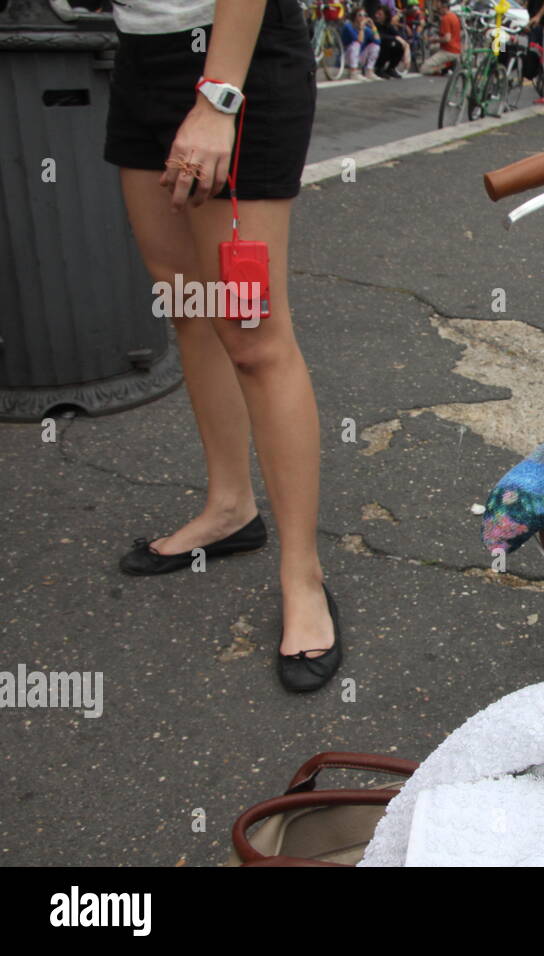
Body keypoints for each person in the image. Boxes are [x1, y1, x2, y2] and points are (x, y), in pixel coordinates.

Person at [105, 0, 341, 692]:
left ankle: (304, 577)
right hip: (140, 53)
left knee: (253, 335)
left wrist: (218, 98)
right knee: (187, 303)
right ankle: (230, 508)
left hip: (231, 63)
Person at [421, 1, 461, 75]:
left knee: (424, 69)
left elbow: (447, 38)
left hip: (449, 51)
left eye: (438, 7)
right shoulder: (454, 16)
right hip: (456, 49)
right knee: (433, 50)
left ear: (443, 7)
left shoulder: (446, 18)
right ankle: (447, 64)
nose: (437, 8)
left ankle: (445, 66)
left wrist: (433, 40)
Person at [341, 7, 382, 79]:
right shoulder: (348, 26)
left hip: (359, 56)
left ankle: (369, 71)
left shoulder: (366, 29)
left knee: (375, 46)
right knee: (356, 44)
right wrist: (361, 28)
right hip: (348, 56)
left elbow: (378, 41)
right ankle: (353, 72)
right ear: (354, 16)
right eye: (360, 15)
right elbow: (359, 41)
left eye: (364, 15)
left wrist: (373, 26)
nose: (363, 17)